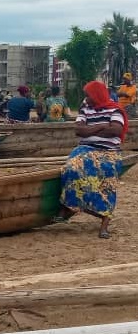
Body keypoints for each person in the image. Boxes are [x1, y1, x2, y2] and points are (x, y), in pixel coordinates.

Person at [53, 81, 128, 239]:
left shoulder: (115, 109)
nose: (86, 98)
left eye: (89, 95)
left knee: (107, 180)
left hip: (109, 152)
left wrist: (90, 131)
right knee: (71, 169)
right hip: (85, 149)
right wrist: (101, 127)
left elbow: (116, 130)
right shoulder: (85, 108)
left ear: (97, 95)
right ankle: (70, 206)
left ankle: (104, 223)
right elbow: (79, 130)